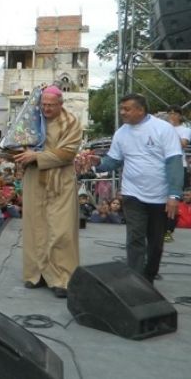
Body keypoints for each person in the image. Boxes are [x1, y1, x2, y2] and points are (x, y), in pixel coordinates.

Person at [85, 94, 183, 284]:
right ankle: (136, 282)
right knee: (135, 239)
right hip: (132, 194)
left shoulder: (163, 129)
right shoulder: (121, 133)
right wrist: (98, 162)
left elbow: (174, 162)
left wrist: (174, 195)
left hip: (160, 197)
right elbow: (113, 160)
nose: (122, 112)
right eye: (121, 109)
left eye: (127, 109)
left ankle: (149, 278)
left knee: (155, 243)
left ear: (140, 109)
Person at [14, 85, 82, 298]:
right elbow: (14, 145)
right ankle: (36, 274)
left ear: (61, 104)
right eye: (43, 104)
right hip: (34, 180)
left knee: (61, 230)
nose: (46, 109)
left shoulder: (71, 122)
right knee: (35, 227)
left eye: (51, 105)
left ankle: (62, 278)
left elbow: (68, 153)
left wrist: (37, 156)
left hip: (60, 182)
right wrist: (19, 153)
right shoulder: (30, 120)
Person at [165, 105, 191, 242]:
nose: (172, 116)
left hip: (179, 166)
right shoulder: (163, 128)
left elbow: (183, 144)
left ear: (180, 116)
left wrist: (170, 131)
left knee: (175, 198)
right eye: (170, 113)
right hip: (163, 166)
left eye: (175, 113)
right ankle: (161, 228)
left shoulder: (185, 129)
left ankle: (169, 229)